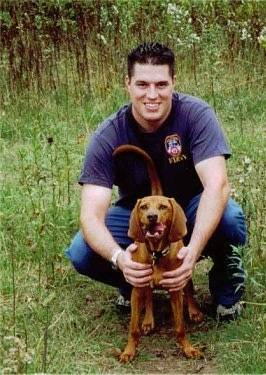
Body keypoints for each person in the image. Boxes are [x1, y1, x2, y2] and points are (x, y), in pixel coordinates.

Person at [65, 42, 247, 321]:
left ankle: (226, 294)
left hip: (191, 209)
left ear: (174, 82)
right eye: (142, 84)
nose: (152, 95)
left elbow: (217, 185)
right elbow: (90, 215)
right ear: (128, 84)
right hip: (136, 213)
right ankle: (134, 282)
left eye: (161, 84)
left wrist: (192, 251)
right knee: (82, 252)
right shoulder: (108, 135)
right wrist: (119, 258)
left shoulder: (196, 115)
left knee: (230, 218)